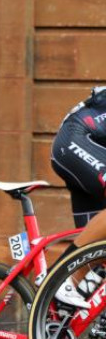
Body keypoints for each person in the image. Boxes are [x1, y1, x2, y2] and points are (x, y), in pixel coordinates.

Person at [51, 86, 106, 308]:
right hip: (76, 140)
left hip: (90, 148)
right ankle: (60, 279)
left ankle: (51, 323)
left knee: (96, 251)